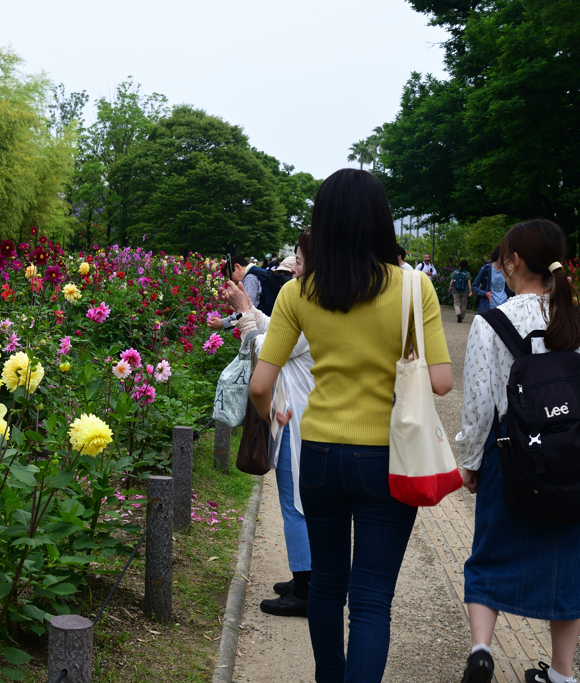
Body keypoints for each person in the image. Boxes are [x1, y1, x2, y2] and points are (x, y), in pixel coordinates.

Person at [249, 169, 453, 683]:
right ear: (380, 221)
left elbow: (259, 385)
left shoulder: (300, 292)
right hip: (389, 458)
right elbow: (444, 382)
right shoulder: (414, 286)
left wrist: (271, 418)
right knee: (370, 601)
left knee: (326, 587)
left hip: (318, 452)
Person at [456, 219, 580, 683]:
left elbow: (479, 404)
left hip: (511, 455)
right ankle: (563, 675)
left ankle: (482, 651)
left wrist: (470, 464)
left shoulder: (493, 323)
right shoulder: (574, 318)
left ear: (513, 262)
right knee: (569, 564)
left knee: (489, 552)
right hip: (572, 458)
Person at [224, 234, 313, 618]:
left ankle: (307, 588)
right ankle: (305, 577)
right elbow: (277, 328)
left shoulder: (312, 302)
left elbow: (268, 347)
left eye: (299, 260)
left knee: (295, 503)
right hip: (299, 408)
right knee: (297, 500)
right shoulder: (318, 298)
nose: (293, 267)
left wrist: (245, 310)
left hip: (294, 412)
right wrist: (254, 314)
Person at [473, 247, 514, 313]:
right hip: (489, 306)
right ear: (498, 256)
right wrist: (485, 293)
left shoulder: (506, 270)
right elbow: (474, 286)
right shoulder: (486, 269)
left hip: (503, 306)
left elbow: (507, 289)